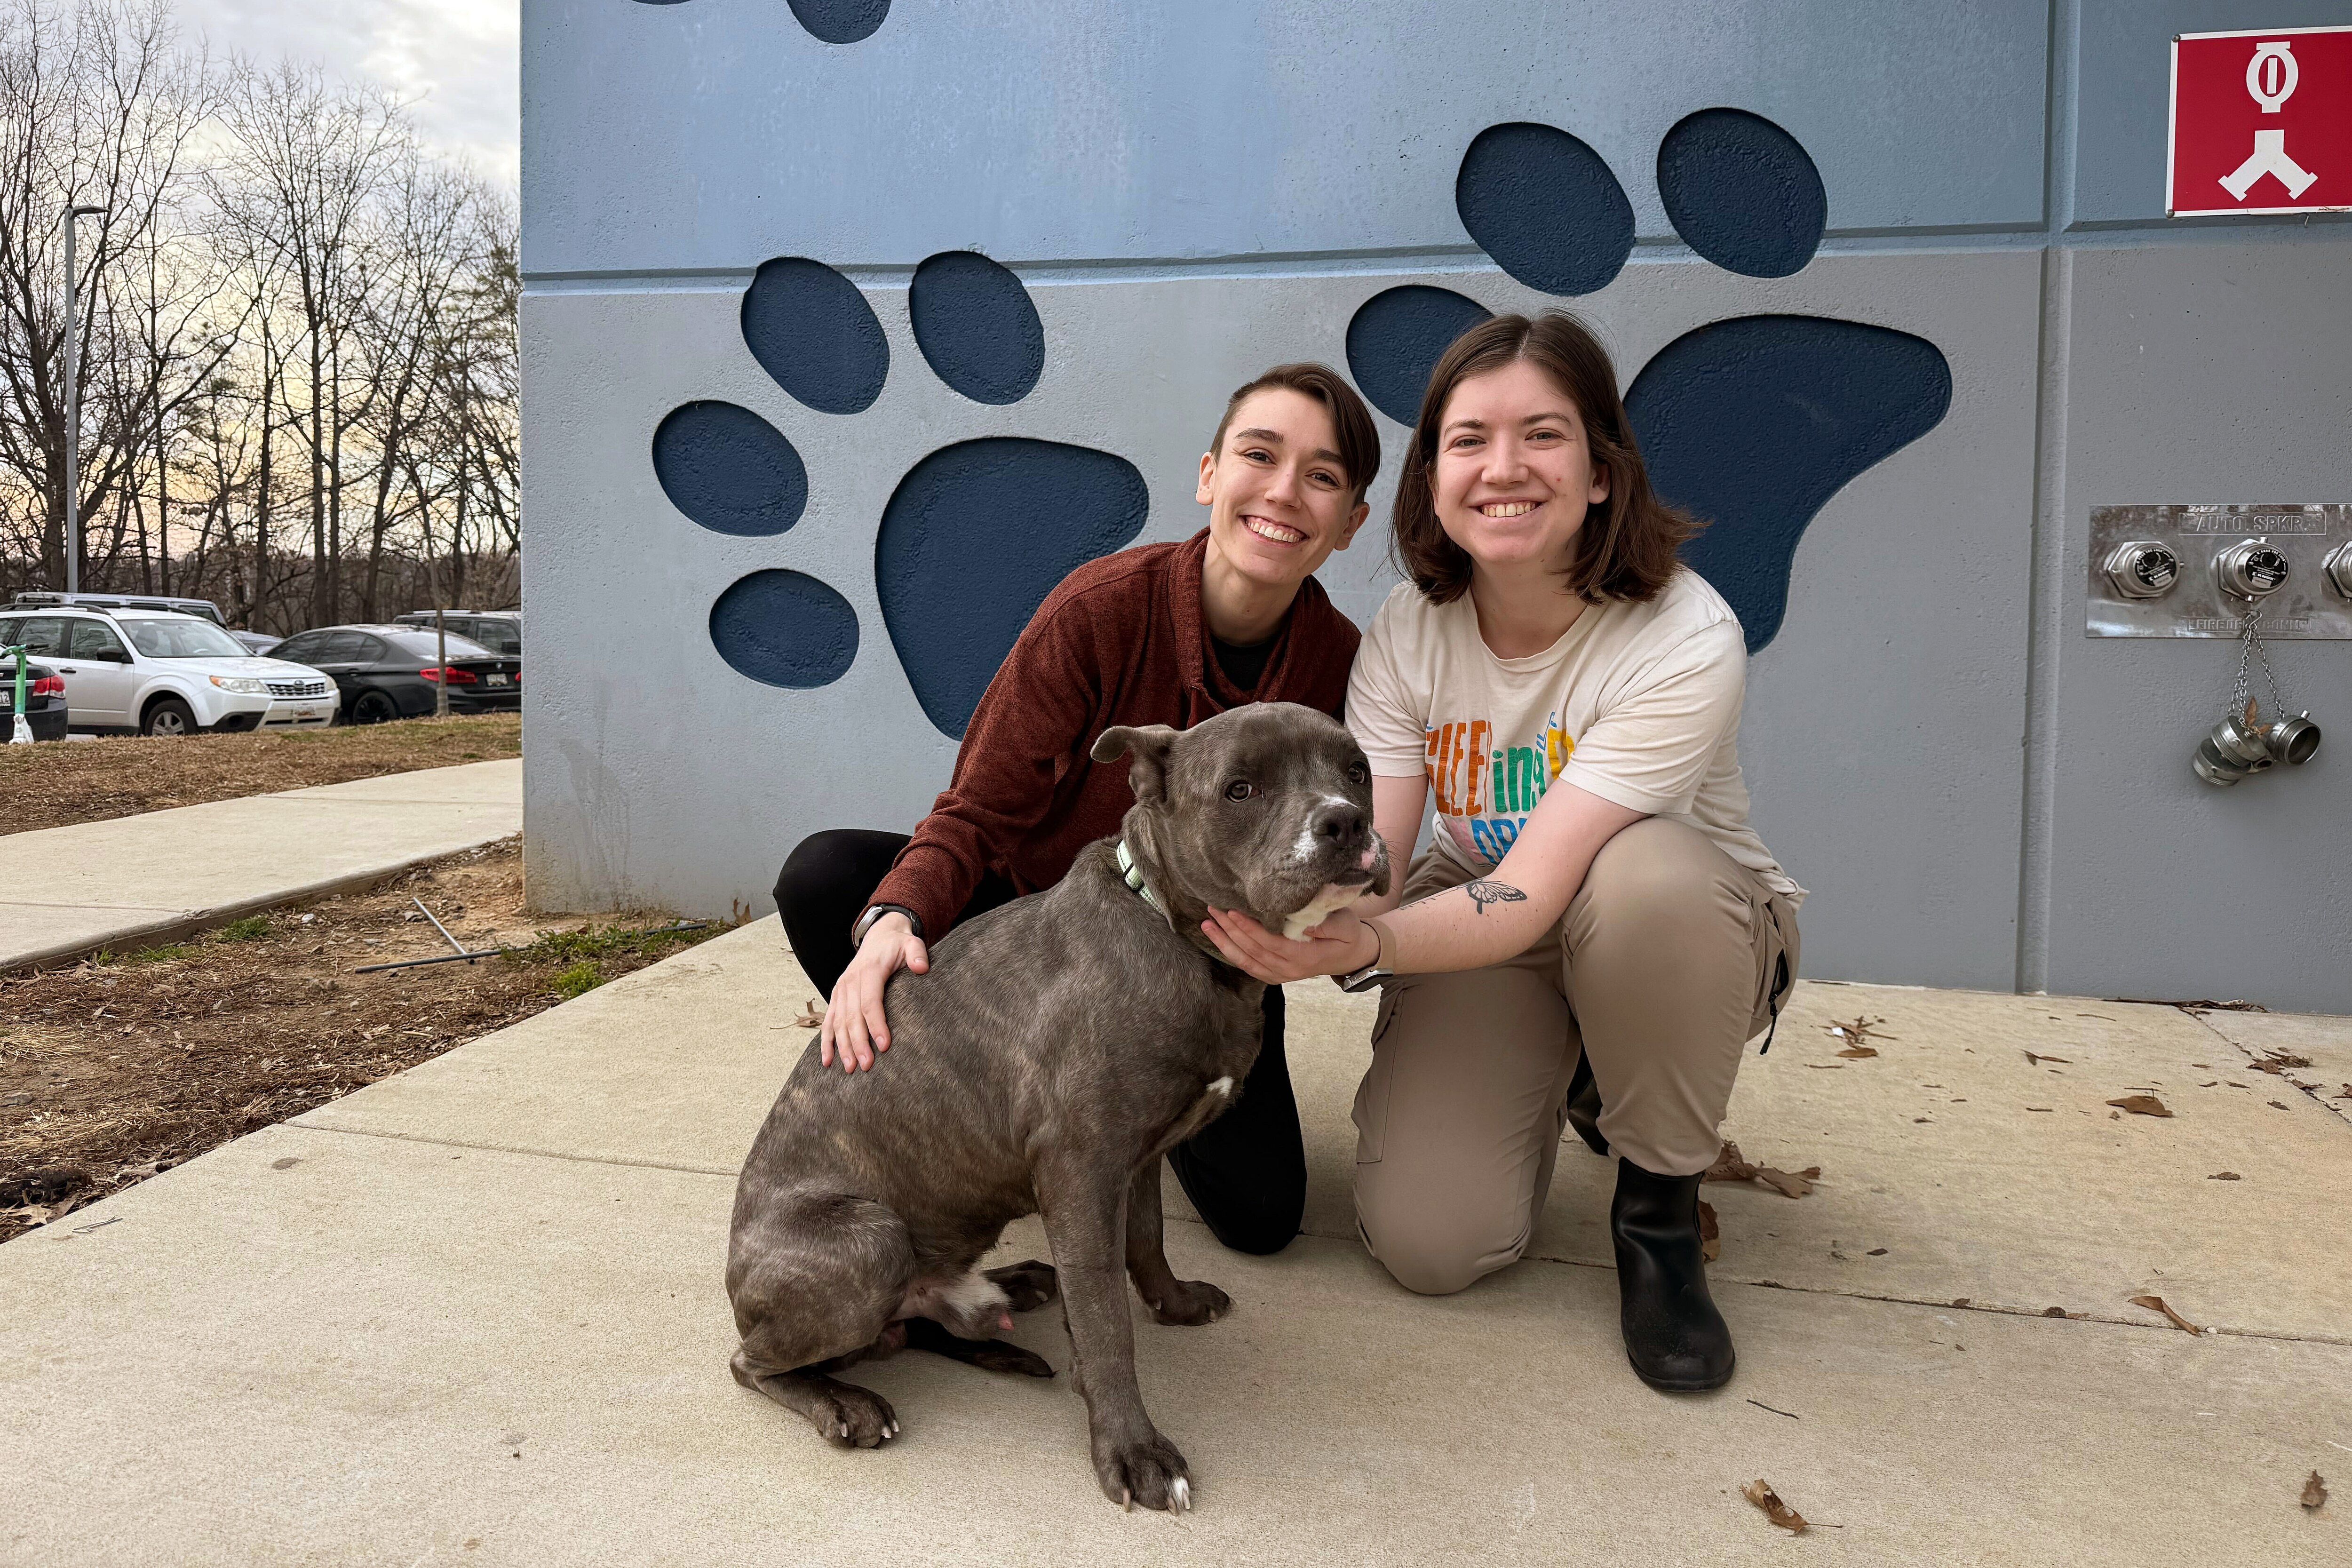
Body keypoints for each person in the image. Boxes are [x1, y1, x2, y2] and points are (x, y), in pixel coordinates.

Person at [1198, 313, 1803, 1392]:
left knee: (1643, 878)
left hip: (1669, 925)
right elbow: (1378, 851)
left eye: (1544, 435)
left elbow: (1533, 891)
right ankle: (1578, 1063)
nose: (1504, 468)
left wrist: (1353, 949)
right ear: (1433, 475)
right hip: (1487, 913)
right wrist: (1300, 918)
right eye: (1468, 439)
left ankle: (1656, 1210)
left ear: (1605, 471)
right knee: (1432, 1246)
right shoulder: (1407, 628)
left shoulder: (1682, 633)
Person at [773, 363, 1382, 1258]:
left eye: (1323, 476)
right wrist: (892, 923)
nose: (1285, 491)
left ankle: (1120, 1098)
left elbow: (1351, 850)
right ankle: (986, 1110)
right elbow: (976, 812)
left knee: (1261, 1217)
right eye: (1261, 454)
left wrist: (1326, 941)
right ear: (1211, 474)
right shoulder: (1099, 611)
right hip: (1047, 930)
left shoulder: (1339, 663)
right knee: (829, 878)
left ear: (1349, 523)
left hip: (1216, 949)